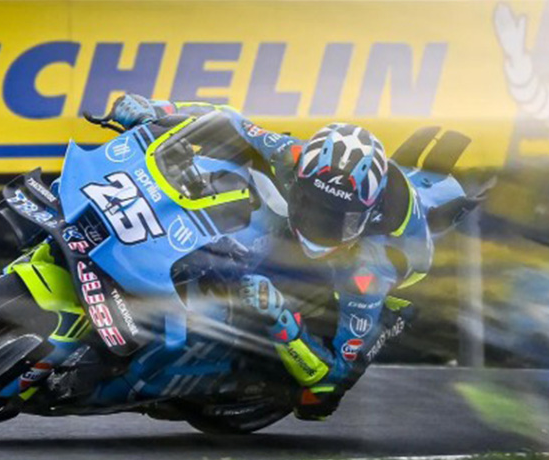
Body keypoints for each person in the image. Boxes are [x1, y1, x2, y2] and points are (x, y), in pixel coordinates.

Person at [95, 93, 460, 421]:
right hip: (301, 220)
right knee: (240, 181)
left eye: (338, 220)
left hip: (370, 269)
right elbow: (228, 120)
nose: (321, 227)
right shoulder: (293, 155)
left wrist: (283, 319)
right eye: (314, 208)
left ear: (363, 218)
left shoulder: (369, 268)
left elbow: (331, 379)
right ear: (300, 181)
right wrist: (158, 110)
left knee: (317, 402)